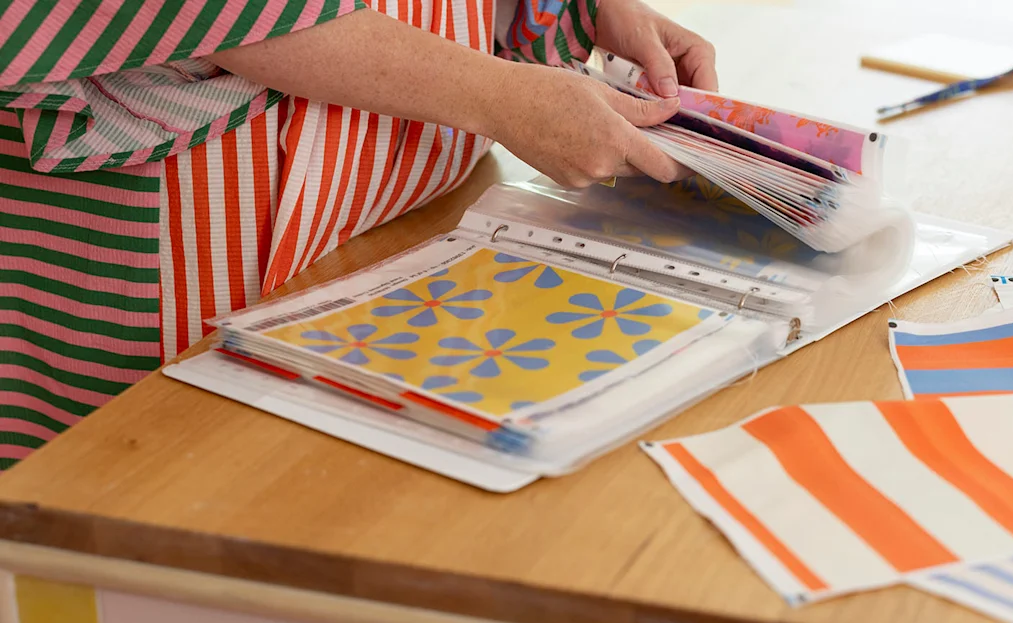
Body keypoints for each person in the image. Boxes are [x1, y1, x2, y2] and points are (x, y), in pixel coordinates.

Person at [0, 0, 717, 469]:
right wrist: (495, 95)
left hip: (425, 200)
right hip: (180, 235)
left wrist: (586, 8)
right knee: (155, 520)